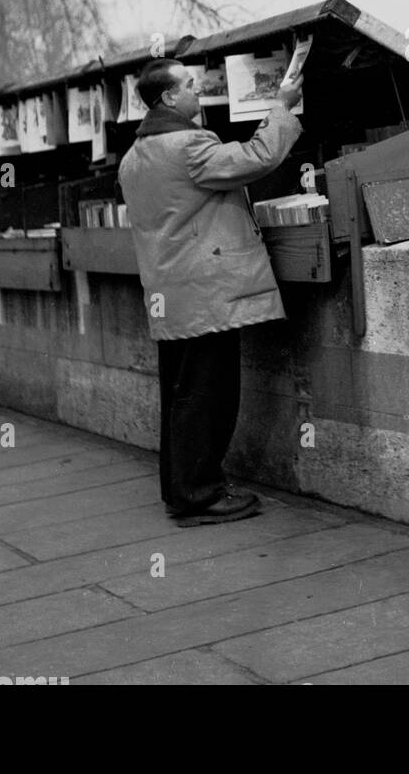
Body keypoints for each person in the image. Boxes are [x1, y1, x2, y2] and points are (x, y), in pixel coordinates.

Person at [117, 58, 303, 526]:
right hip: (206, 297)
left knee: (182, 399)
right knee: (209, 398)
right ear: (167, 99)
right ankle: (200, 496)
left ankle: (181, 492)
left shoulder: (134, 156)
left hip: (171, 295)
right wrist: (282, 108)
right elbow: (257, 158)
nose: (196, 88)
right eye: (188, 84)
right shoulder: (188, 146)